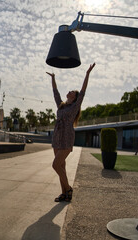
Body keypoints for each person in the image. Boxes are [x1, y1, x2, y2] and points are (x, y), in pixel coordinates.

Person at [46, 63, 96, 202]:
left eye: (72, 92)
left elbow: (83, 90)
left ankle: (68, 188)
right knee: (61, 166)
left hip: (67, 138)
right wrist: (53, 78)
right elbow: (55, 93)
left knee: (55, 165)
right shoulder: (61, 106)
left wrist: (87, 74)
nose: (70, 91)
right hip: (57, 137)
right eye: (70, 91)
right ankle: (64, 194)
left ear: (75, 97)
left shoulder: (75, 106)